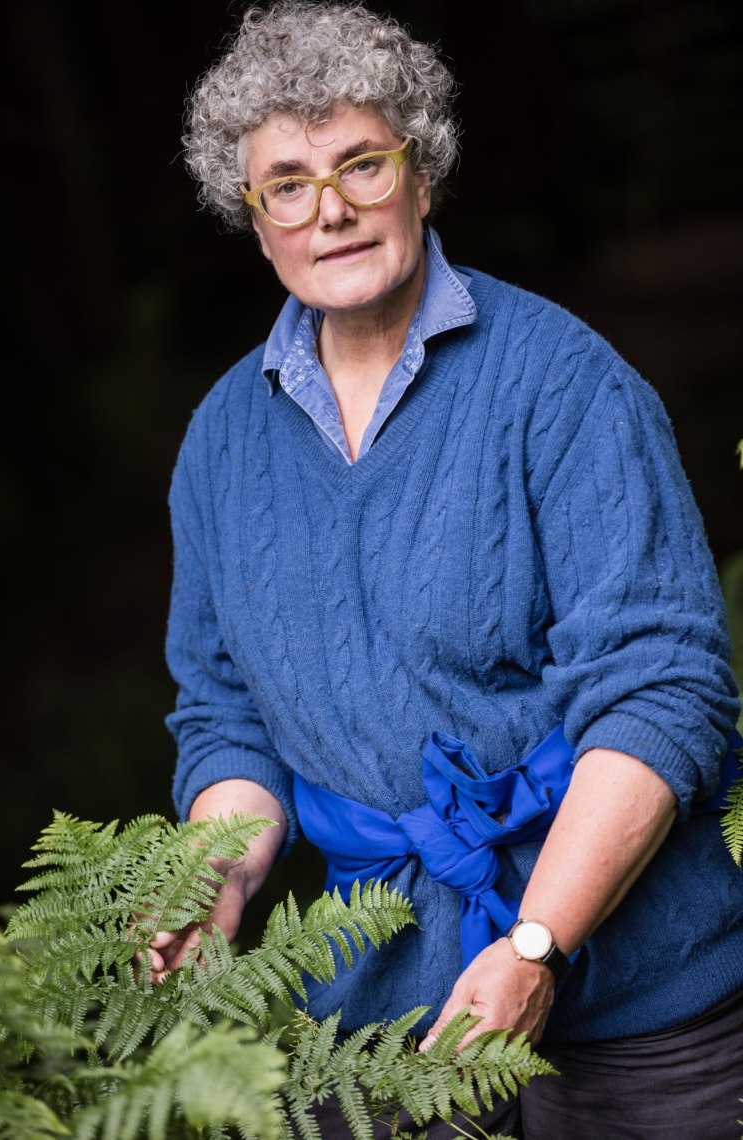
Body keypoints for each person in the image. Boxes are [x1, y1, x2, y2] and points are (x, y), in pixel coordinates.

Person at [151, 2, 743, 1135]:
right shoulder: (222, 443)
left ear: (422, 169)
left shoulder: (566, 385)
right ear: (253, 215)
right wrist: (213, 882)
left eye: (360, 165)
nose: (329, 212)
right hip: (372, 1026)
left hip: (642, 1018)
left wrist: (535, 943)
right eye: (286, 183)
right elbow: (228, 723)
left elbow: (662, 691)